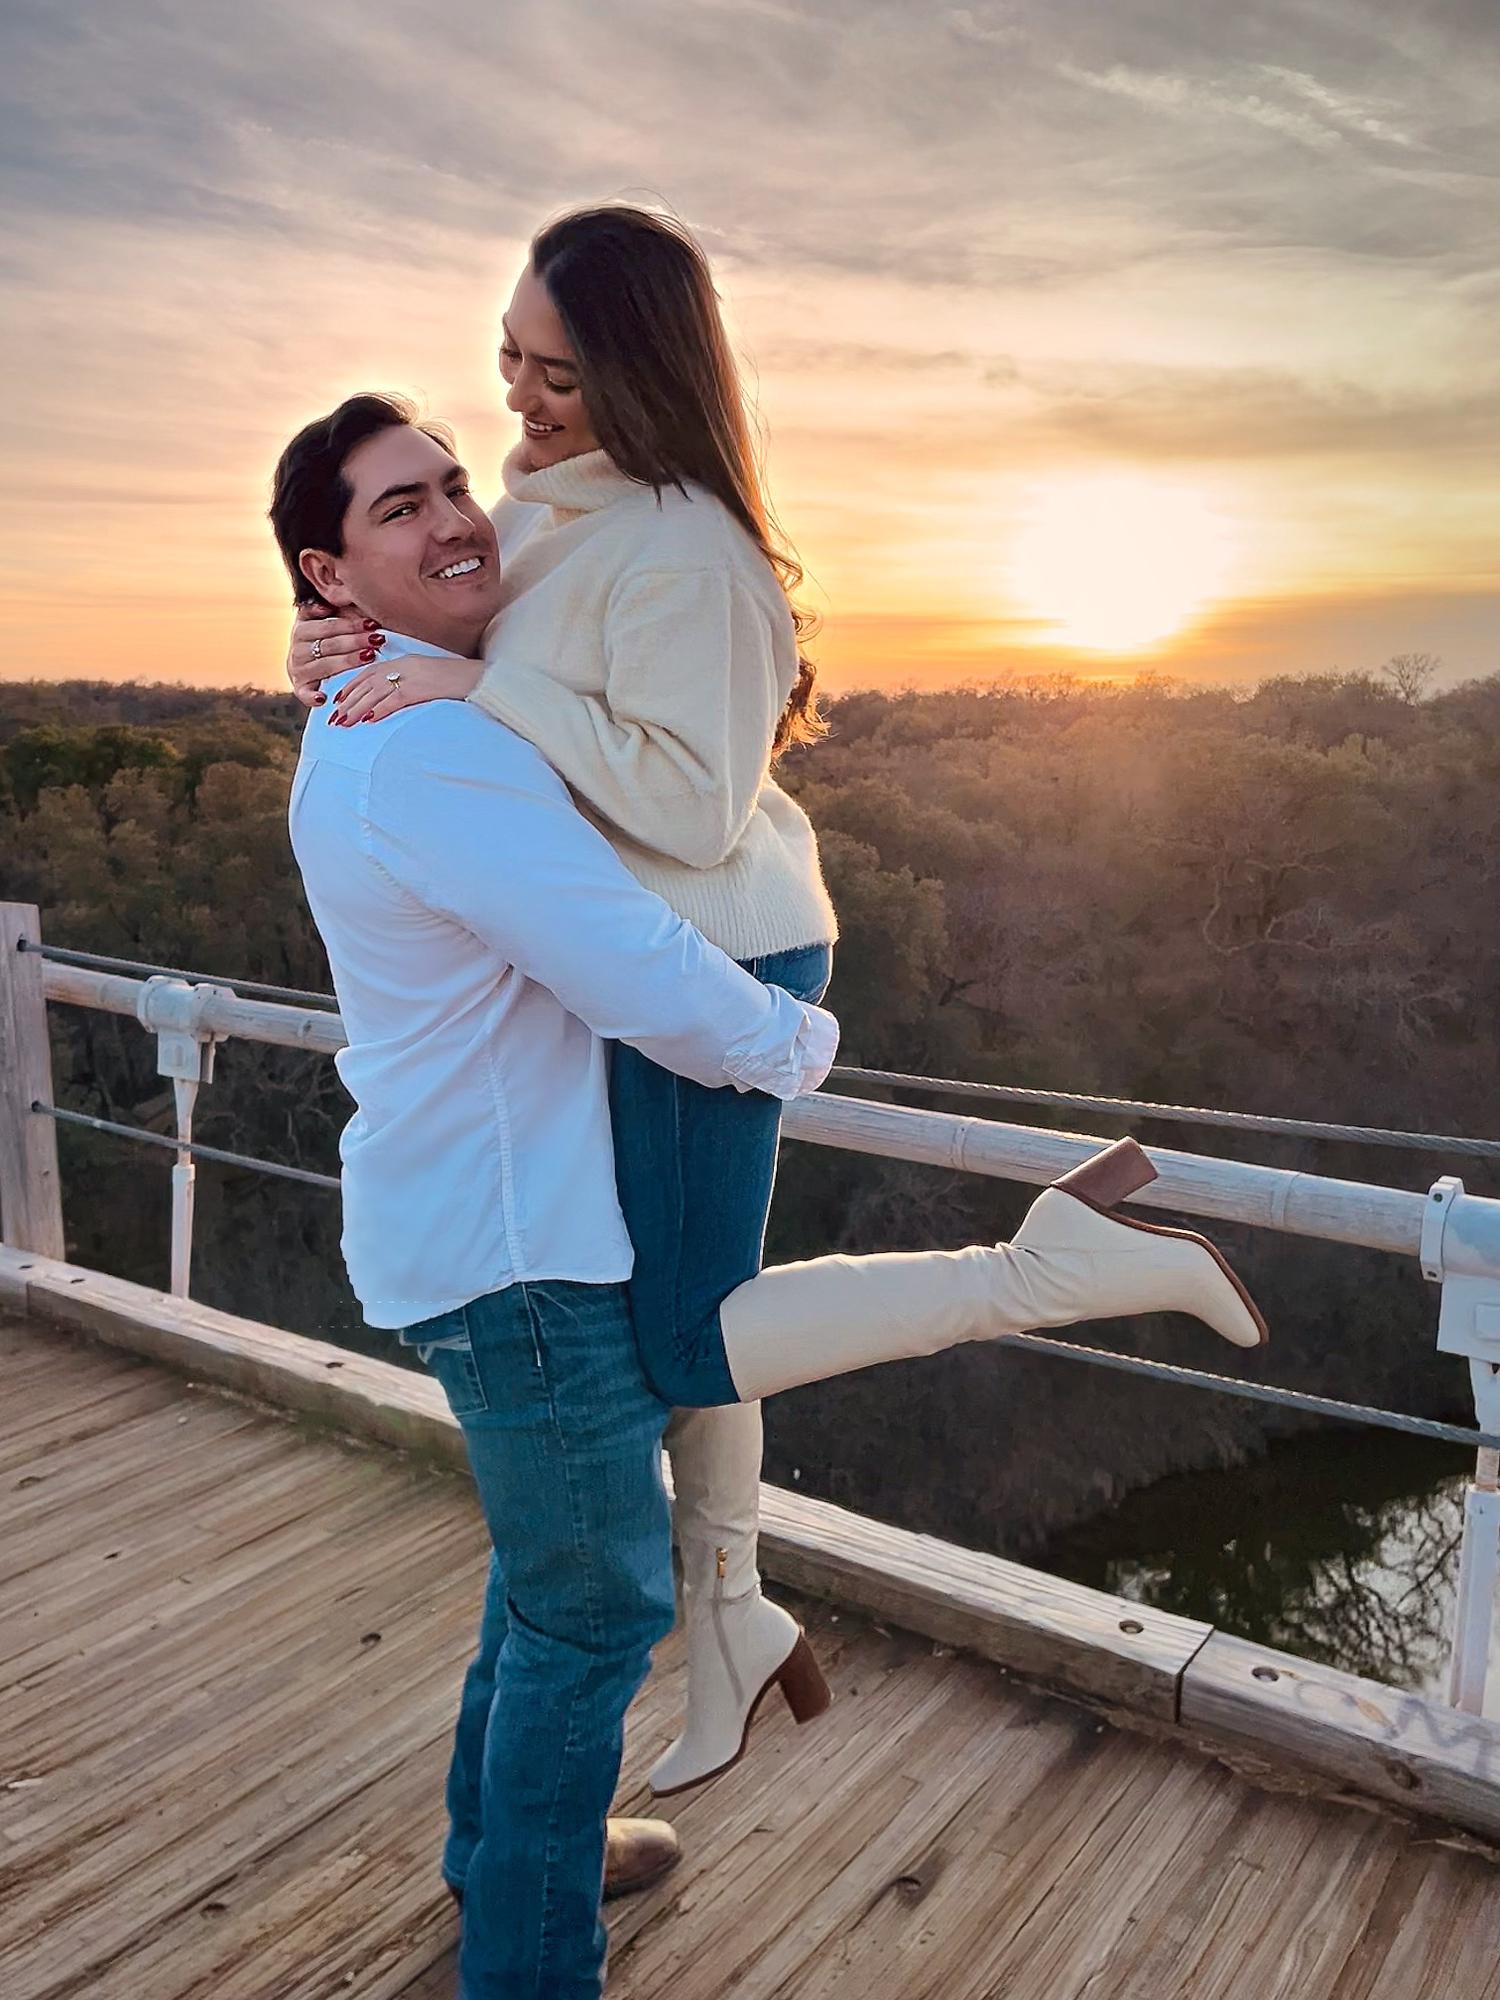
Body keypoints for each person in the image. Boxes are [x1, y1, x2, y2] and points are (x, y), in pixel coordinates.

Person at [276, 391, 1266, 1999]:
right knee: (594, 1613)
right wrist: (792, 1045)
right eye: (402, 508)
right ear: (329, 574)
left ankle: (506, 1849)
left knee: (546, 1584)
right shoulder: (432, 748)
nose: (456, 516)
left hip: (487, 1224)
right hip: (520, 1253)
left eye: (453, 483)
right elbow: (621, 956)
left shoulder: (377, 708)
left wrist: (354, 644)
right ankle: (531, 1958)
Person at [289, 204, 843, 1805]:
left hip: (723, 952)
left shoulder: (694, 553)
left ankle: (1033, 1275)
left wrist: (479, 686)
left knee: (689, 1332)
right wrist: (340, 637)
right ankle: (732, 1619)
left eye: (558, 373)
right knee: (674, 1352)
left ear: (642, 373)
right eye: (511, 361)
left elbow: (683, 805)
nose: (519, 402)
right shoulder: (548, 505)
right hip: (638, 959)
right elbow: (453, 621)